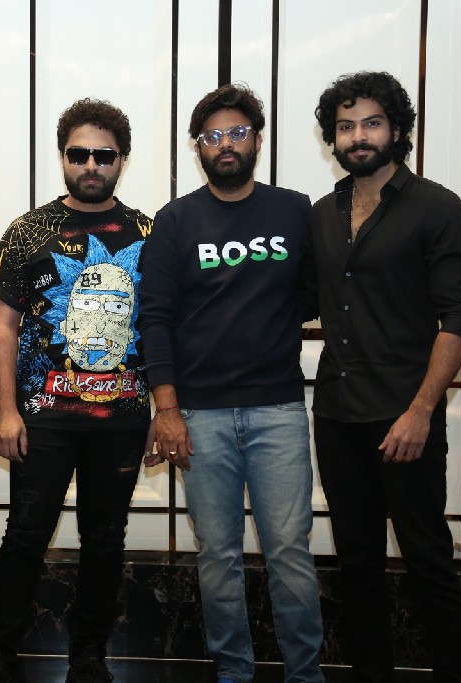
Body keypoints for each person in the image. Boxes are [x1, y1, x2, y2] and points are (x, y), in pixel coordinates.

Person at [138, 84, 324, 683]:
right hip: (200, 415)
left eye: (237, 133)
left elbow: (316, 292)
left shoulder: (295, 211)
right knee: (217, 555)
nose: (225, 144)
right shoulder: (175, 221)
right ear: (198, 148)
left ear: (257, 141)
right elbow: (155, 318)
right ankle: (234, 672)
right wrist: (167, 409)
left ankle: (305, 674)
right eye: (212, 135)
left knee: (289, 551)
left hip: (278, 409)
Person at [309, 71, 461, 682]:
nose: (358, 136)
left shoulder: (436, 206)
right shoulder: (322, 214)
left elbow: (459, 316)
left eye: (372, 123)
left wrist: (421, 410)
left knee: (428, 559)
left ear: (398, 130)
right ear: (333, 138)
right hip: (336, 413)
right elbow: (297, 299)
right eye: (345, 126)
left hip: (406, 415)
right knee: (357, 564)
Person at [0, 98, 153, 683]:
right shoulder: (27, 231)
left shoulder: (149, 233)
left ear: (121, 160)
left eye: (103, 155)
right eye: (79, 154)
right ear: (62, 157)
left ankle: (88, 656)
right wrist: (6, 410)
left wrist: (164, 410)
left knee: (105, 541)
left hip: (123, 416)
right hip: (42, 416)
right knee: (25, 536)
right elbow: (1, 327)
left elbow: (163, 326)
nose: (91, 165)